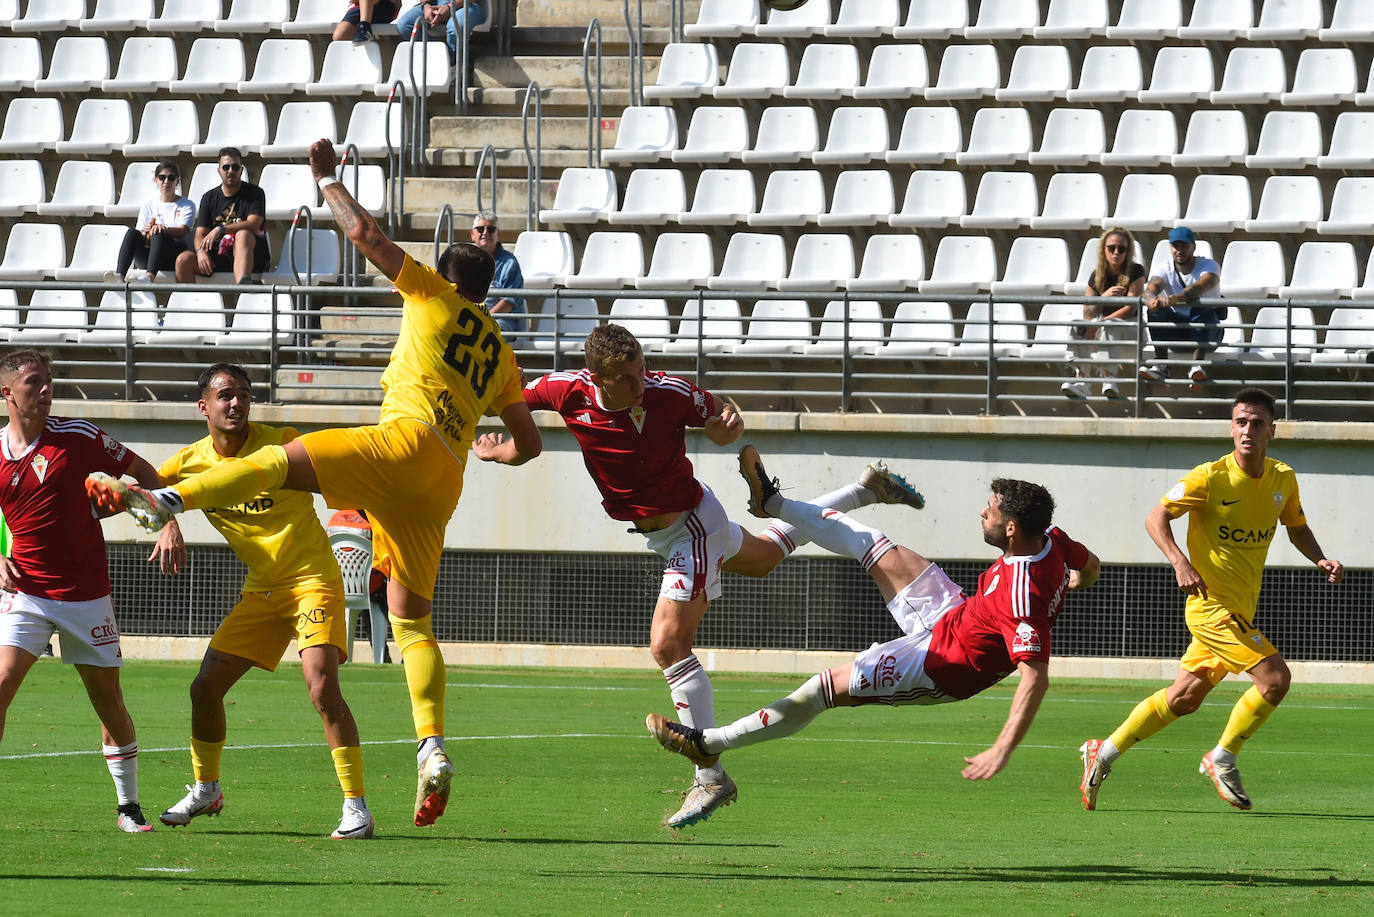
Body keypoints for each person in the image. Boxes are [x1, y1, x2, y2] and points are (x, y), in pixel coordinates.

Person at [89, 138, 542, 829]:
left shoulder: (431, 292)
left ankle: (173, 498)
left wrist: (328, 179)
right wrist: (496, 449)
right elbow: (531, 443)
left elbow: (362, 232)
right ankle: (432, 742)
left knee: (280, 460)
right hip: (444, 477)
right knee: (412, 621)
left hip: (403, 440)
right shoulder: (503, 352)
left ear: (450, 278)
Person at [480, 324, 927, 828]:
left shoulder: (666, 392)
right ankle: (864, 490)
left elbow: (718, 416)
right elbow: (511, 403)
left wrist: (726, 427)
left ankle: (710, 778)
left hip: (690, 524)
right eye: (627, 378)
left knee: (668, 646)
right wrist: (497, 450)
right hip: (671, 532)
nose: (640, 383)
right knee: (763, 558)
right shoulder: (566, 391)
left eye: (642, 368)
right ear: (599, 378)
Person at [647, 447, 1100, 804]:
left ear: (1012, 529)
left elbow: (1035, 678)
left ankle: (707, 743)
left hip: (944, 662)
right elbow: (1091, 563)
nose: (983, 513)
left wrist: (1001, 748)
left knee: (819, 690)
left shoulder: (1023, 594)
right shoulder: (1052, 539)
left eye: (991, 511)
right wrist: (1077, 579)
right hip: (957, 611)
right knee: (871, 542)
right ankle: (773, 502)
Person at [1079, 387, 1343, 813]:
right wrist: (1179, 562)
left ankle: (1102, 753)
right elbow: (1155, 516)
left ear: (1272, 430)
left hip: (1241, 608)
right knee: (1275, 679)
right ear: (1231, 428)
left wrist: (1320, 558)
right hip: (1210, 608)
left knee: (1185, 698)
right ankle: (1222, 757)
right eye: (1241, 422)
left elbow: (1295, 527)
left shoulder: (1282, 478)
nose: (1248, 430)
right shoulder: (1210, 477)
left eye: (1257, 423)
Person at [151, 363, 374, 839]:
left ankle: (357, 807)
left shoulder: (282, 443)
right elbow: (147, 490)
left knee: (321, 689)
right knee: (204, 688)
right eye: (226, 395)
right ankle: (207, 788)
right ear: (203, 406)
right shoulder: (188, 462)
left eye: (244, 395)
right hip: (262, 590)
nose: (236, 404)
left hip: (313, 579)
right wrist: (168, 521)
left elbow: (337, 477)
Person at [0, 349, 185, 833]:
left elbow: (146, 471)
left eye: (48, 381)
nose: (45, 389)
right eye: (33, 382)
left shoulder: (78, 436)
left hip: (86, 595)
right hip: (27, 593)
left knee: (108, 702)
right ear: (7, 393)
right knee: (0, 686)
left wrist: (165, 523)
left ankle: (129, 807)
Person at [1063, 227, 1145, 402]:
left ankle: (1109, 379)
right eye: (1111, 248)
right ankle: (1082, 381)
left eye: (1121, 249)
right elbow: (1087, 312)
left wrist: (1098, 324)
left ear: (1127, 251)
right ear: (1104, 250)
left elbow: (1130, 308)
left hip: (1132, 328)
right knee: (1076, 324)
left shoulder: (1136, 271)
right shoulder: (1097, 275)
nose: (1116, 252)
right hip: (1103, 329)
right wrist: (1102, 298)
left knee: (1110, 325)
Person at [1140, 226, 1222, 389]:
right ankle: (1162, 365)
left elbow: (1200, 287)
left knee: (1200, 307)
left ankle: (1198, 364)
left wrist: (1174, 299)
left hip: (1209, 333)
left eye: (1184, 246)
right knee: (1155, 310)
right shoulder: (1164, 267)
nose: (1179, 250)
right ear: (1171, 248)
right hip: (1179, 332)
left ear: (1193, 247)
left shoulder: (1209, 266)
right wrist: (1151, 299)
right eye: (1176, 246)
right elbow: (1151, 288)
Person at [175, 147, 270, 286]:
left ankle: (243, 290)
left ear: (241, 171)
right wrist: (201, 252)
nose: (231, 171)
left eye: (235, 167)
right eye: (226, 167)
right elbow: (200, 234)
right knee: (183, 260)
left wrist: (220, 229)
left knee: (243, 234)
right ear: (219, 170)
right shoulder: (209, 197)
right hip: (218, 256)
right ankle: (191, 305)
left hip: (251, 256)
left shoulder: (255, 193)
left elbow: (253, 224)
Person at [113, 160, 194, 284]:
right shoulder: (149, 204)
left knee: (159, 233)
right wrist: (147, 230)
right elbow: (140, 232)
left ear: (177, 181)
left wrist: (161, 229)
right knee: (132, 233)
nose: (166, 181)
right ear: (156, 180)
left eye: (171, 178)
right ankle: (119, 276)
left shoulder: (186, 205)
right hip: (147, 254)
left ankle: (149, 278)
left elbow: (184, 230)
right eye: (162, 177)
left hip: (171, 256)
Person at [470, 211, 525, 343]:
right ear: (472, 234)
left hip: (500, 320)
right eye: (480, 229)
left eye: (491, 229)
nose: (485, 232)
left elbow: (508, 303)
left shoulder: (510, 263)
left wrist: (483, 318)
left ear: (498, 235)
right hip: (471, 317)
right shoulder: (464, 259)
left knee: (484, 334)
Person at [394, 0, 488, 61]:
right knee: (405, 25)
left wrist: (450, 7)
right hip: (434, 4)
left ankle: (452, 62)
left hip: (467, 4)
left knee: (456, 26)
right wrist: (426, 6)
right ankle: (442, 57)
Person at [333, 0, 403, 44]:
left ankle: (364, 28)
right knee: (340, 36)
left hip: (385, 6)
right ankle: (364, 31)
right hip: (360, 7)